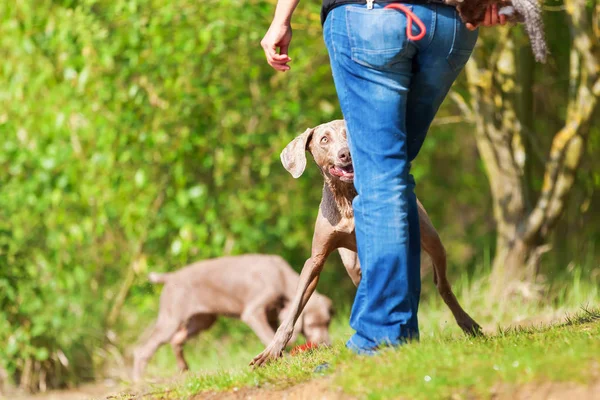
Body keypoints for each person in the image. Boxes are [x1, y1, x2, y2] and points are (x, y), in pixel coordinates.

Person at [261, 0, 506, 354]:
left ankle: (379, 340)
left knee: (381, 176)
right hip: (451, 23)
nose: (342, 149)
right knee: (392, 171)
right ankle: (401, 336)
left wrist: (281, 19)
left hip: (371, 19)